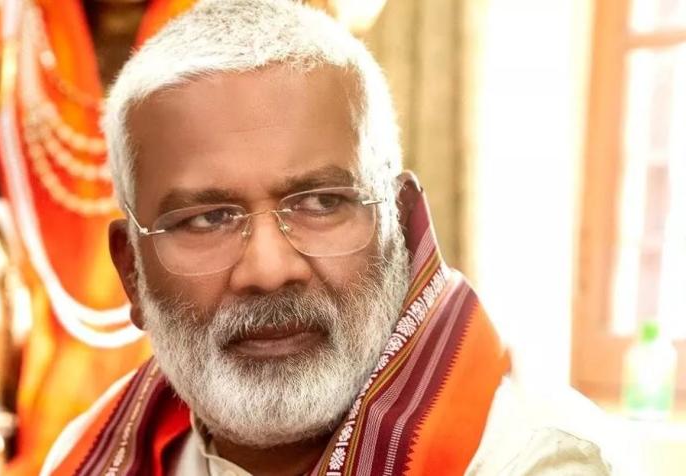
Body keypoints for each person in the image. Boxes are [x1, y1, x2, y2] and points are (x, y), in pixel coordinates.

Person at [42, 1, 615, 474]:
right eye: (207, 219)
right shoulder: (83, 455)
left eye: (321, 203)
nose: (269, 270)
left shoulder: (535, 459)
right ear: (133, 274)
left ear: (401, 225)